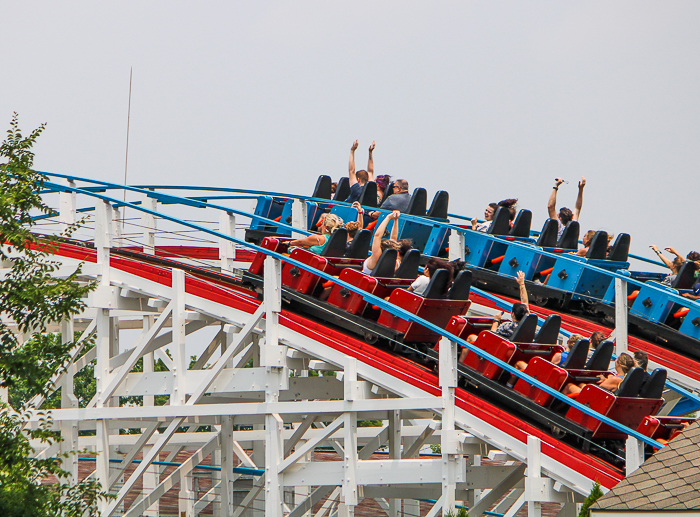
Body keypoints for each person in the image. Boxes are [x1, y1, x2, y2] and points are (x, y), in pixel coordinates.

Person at [563, 352, 635, 396]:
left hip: (593, 400)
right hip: (599, 398)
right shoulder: (624, 379)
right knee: (581, 384)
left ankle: (555, 409)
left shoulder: (615, 379)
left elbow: (595, 390)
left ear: (619, 364)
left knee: (569, 386)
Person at [491, 271, 529, 339]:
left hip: (498, 348)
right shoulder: (528, 329)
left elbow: (492, 337)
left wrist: (496, 320)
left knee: (471, 337)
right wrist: (521, 284)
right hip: (516, 348)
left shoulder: (507, 326)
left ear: (513, 314)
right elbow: (525, 303)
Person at [362, 211, 401, 275]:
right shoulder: (395, 262)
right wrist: (396, 220)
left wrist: (388, 217)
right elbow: (394, 239)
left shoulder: (375, 258)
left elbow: (377, 236)